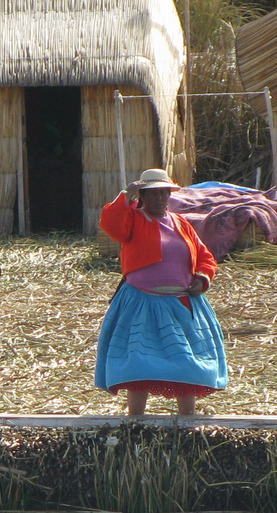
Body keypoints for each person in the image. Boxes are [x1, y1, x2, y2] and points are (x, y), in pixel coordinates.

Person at [95, 169, 227, 416]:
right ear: (142, 196)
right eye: (152, 194)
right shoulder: (133, 219)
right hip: (141, 302)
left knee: (187, 361)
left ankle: (187, 419)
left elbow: (204, 256)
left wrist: (202, 278)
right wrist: (126, 194)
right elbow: (111, 225)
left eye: (163, 193)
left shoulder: (181, 224)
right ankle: (136, 420)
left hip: (181, 303)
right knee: (139, 359)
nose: (159, 199)